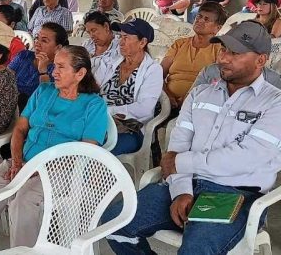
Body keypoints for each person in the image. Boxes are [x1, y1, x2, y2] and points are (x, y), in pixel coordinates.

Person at [102, 20, 281, 255]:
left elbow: (246, 158)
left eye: (235, 53)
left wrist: (179, 163)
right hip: (183, 182)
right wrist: (182, 190)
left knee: (196, 249)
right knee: (113, 223)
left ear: (261, 60)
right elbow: (178, 144)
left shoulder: (274, 102)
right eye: (224, 50)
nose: (223, 58)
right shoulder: (200, 93)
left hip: (234, 194)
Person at [0, 46, 108, 253]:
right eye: (55, 66)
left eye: (61, 67)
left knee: (23, 202)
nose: (54, 72)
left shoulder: (94, 105)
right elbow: (19, 129)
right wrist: (17, 163)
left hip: (62, 171)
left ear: (80, 74)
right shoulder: (44, 91)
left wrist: (36, 168)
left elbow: (87, 150)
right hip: (24, 162)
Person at [99, 19, 163, 155]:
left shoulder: (153, 69)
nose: (121, 42)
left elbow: (144, 109)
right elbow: (93, 88)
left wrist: (109, 111)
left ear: (142, 42)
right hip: (98, 121)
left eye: (126, 38)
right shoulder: (112, 61)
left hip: (130, 129)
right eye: (120, 37)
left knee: (98, 155)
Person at [162, 2, 226, 112]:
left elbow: (217, 84)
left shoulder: (220, 50)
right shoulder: (179, 44)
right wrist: (167, 97)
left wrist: (188, 99)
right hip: (166, 102)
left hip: (200, 104)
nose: (200, 21)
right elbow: (158, 74)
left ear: (217, 28)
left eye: (206, 19)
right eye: (199, 16)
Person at [8, 22, 69, 112]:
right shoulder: (24, 56)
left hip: (35, 111)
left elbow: (46, 98)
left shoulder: (59, 69)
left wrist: (43, 71)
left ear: (58, 47)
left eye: (44, 41)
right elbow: (7, 77)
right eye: (37, 38)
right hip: (11, 104)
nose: (37, 43)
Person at [82, 11, 121, 84]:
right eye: (89, 32)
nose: (91, 36)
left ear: (106, 26)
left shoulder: (120, 46)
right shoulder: (87, 44)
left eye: (94, 30)